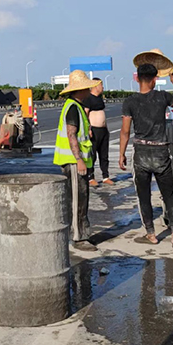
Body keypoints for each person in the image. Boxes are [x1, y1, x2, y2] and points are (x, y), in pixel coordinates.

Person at [119, 62, 173, 247]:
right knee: (169, 194)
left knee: (143, 195)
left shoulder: (130, 101)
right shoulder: (163, 97)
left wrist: (122, 154)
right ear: (155, 79)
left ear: (137, 78)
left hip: (141, 153)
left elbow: (125, 131)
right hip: (161, 152)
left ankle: (151, 234)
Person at [53, 70, 101, 252]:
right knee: (77, 200)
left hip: (77, 162)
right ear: (80, 90)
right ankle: (78, 237)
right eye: (86, 88)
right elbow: (71, 134)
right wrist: (79, 159)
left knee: (81, 198)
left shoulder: (76, 106)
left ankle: (82, 233)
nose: (89, 91)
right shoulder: (73, 107)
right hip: (73, 162)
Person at [84, 78, 113, 187]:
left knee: (104, 155)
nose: (103, 87)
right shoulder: (88, 99)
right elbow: (86, 114)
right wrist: (89, 129)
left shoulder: (100, 98)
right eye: (101, 85)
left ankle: (105, 176)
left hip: (103, 130)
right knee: (92, 155)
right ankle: (91, 177)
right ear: (95, 86)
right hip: (94, 130)